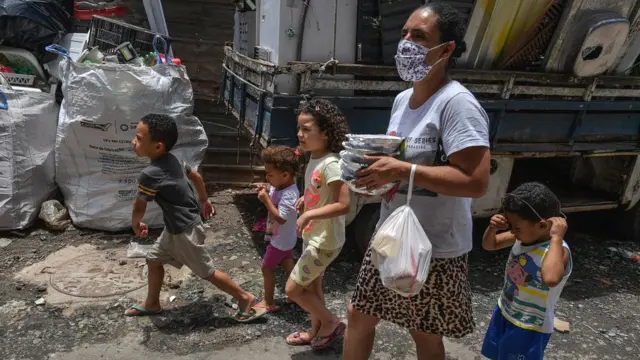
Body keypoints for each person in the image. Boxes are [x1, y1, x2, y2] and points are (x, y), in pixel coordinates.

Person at [343, 4, 491, 360]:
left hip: (434, 247)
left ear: (447, 49)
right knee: (358, 315)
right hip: (391, 236)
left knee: (423, 333)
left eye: (420, 36)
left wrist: (401, 171)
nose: (406, 43)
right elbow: (400, 163)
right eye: (405, 33)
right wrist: (374, 177)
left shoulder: (457, 104)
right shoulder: (402, 100)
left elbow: (475, 182)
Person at [125, 113, 267, 323]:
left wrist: (136, 223)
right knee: (153, 260)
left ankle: (245, 298)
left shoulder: (150, 173)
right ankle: (152, 303)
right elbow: (196, 176)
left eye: (138, 138)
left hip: (185, 231)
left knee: (207, 272)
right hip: (177, 228)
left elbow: (140, 204)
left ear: (158, 146)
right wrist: (204, 200)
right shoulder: (172, 160)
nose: (133, 142)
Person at [285, 99, 350, 349]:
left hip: (325, 240)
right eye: (299, 128)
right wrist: (306, 198)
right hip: (316, 237)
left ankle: (331, 322)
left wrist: (309, 215)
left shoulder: (332, 164)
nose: (300, 134)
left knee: (293, 290)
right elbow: (321, 192)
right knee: (312, 287)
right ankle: (316, 332)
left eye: (306, 129)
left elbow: (344, 204)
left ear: (325, 132)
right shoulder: (316, 157)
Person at [481, 182, 572, 360]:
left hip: (530, 326)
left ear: (542, 226)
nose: (513, 231)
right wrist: (492, 229)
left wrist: (556, 238)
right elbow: (490, 245)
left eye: (517, 227)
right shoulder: (521, 238)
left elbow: (551, 278)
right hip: (505, 311)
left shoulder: (559, 250)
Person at [254, 145, 301, 313]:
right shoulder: (280, 185)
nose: (267, 177)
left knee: (266, 268)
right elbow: (273, 190)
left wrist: (266, 201)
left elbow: (281, 218)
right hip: (286, 239)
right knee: (289, 266)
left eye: (270, 174)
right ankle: (295, 295)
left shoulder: (290, 194)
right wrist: (266, 188)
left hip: (280, 240)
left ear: (285, 175)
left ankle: (268, 301)